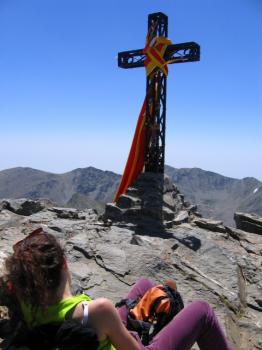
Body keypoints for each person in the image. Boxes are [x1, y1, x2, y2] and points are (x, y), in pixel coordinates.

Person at [0, 227, 232, 350]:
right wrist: (125, 333)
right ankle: (164, 322)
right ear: (65, 264)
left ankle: (161, 310)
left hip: (90, 330)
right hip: (119, 340)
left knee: (144, 285)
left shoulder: (27, 302)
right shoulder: (100, 310)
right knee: (203, 311)